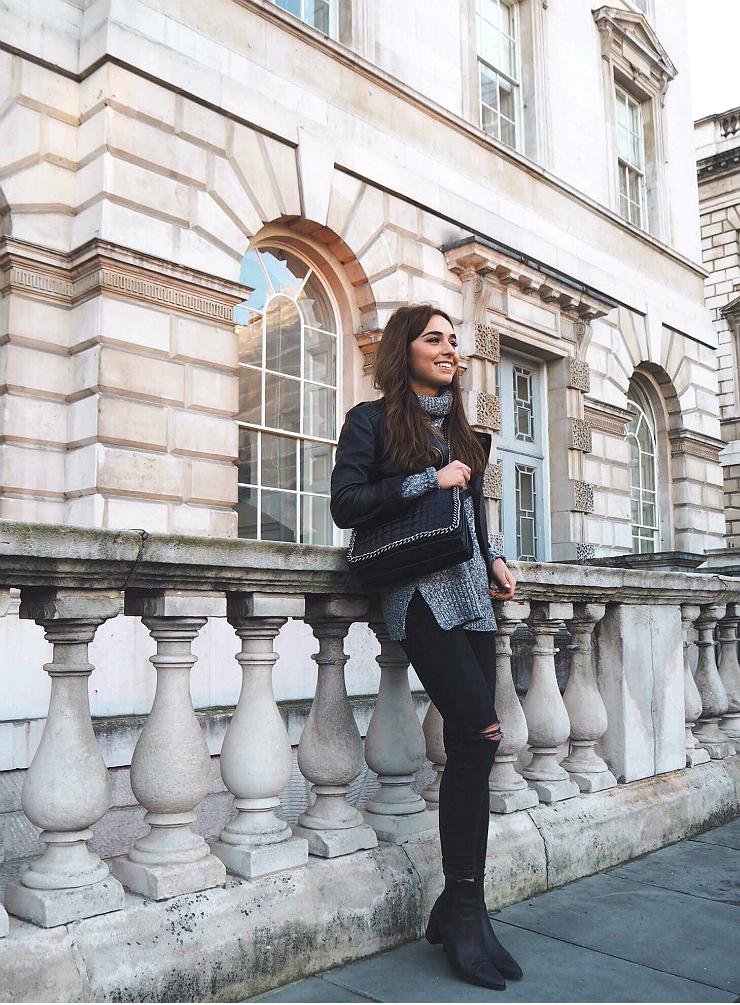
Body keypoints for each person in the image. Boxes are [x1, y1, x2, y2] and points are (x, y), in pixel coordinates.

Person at [330, 303, 521, 992]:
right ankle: (463, 911)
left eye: (453, 342)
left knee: (477, 744)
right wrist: (424, 480)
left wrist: (495, 555)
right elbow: (346, 502)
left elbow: (475, 513)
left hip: (472, 595)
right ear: (404, 347)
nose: (449, 350)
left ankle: (463, 904)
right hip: (416, 595)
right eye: (434, 339)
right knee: (481, 731)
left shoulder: (470, 431)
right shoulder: (370, 421)